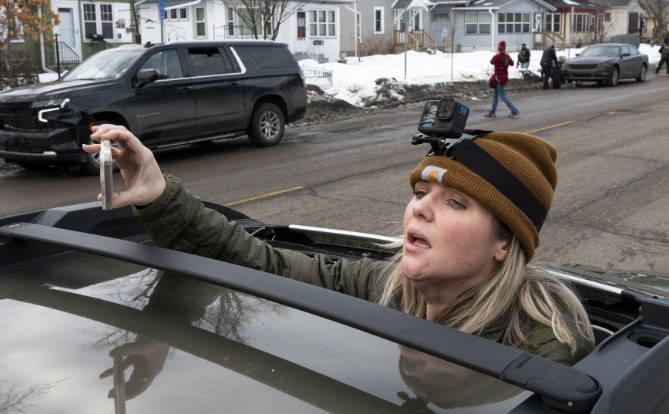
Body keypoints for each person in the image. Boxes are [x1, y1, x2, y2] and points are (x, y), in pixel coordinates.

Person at [84, 125, 595, 365]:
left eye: (457, 203)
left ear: (505, 243)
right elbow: (258, 262)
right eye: (420, 193)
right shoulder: (385, 286)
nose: (419, 209)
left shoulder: (546, 349)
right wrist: (155, 193)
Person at [484, 41, 519, 118]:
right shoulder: (507, 57)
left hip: (498, 78)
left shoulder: (496, 57)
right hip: (503, 78)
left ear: (499, 48)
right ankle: (492, 112)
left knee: (503, 96)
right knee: (495, 96)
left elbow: (491, 62)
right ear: (505, 48)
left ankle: (514, 110)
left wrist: (498, 53)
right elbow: (512, 64)